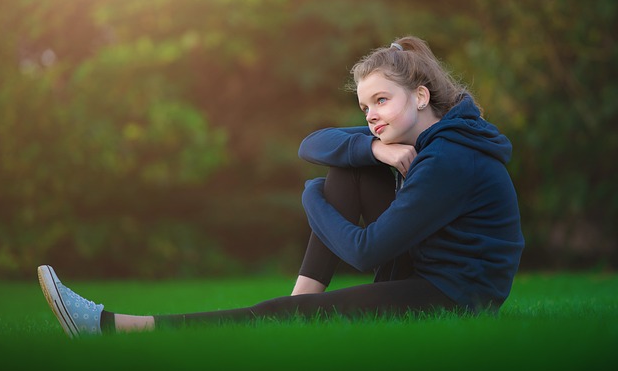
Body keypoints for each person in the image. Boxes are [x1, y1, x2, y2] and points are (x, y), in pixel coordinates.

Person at [38, 36, 524, 338]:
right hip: (429, 270)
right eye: (364, 106)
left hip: (454, 298)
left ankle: (116, 329)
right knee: (348, 165)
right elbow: (314, 144)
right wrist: (373, 150)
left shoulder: (450, 159)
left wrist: (310, 198)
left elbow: (366, 252)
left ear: (420, 96)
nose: (371, 115)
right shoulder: (420, 138)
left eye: (381, 99)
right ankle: (296, 310)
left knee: (274, 309)